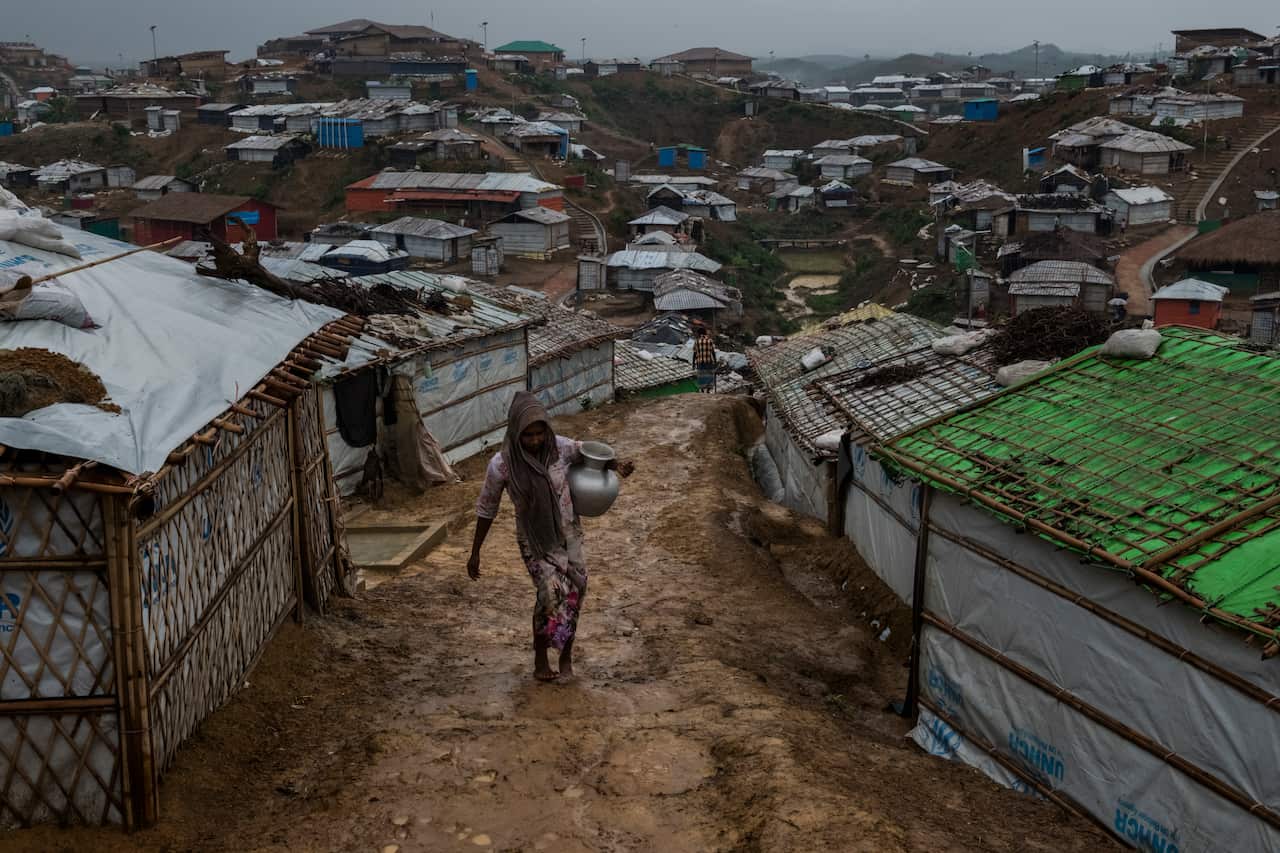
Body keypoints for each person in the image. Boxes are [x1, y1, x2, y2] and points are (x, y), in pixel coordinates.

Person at [467, 392, 634, 682]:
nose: (534, 441)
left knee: (576, 591)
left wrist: (615, 465)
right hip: (535, 540)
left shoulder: (559, 448)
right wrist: (475, 551)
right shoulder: (502, 465)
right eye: (527, 435)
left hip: (569, 533)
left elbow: (590, 454)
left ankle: (566, 658)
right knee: (550, 593)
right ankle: (541, 659)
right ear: (515, 431)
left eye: (539, 433)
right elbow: (486, 508)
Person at [693, 324, 717, 393]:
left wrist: (693, 363)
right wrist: (715, 361)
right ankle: (708, 390)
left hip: (700, 362)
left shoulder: (697, 341)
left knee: (701, 376)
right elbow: (713, 352)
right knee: (709, 375)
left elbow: (695, 353)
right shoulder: (710, 341)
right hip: (709, 361)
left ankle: (702, 390)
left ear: (699, 333)